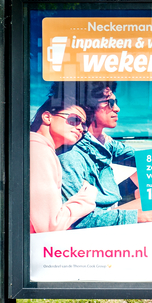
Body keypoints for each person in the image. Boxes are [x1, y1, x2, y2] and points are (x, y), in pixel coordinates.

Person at [59, 81, 152, 227]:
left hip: (112, 199)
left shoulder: (104, 142)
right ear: (89, 107)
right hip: (102, 213)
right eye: (110, 103)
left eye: (116, 102)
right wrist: (142, 215)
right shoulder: (72, 153)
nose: (117, 109)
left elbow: (151, 160)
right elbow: (77, 221)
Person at [29, 95, 96, 233]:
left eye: (83, 125)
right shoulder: (39, 151)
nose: (81, 128)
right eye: (74, 120)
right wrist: (88, 195)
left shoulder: (39, 149)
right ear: (47, 117)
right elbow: (51, 225)